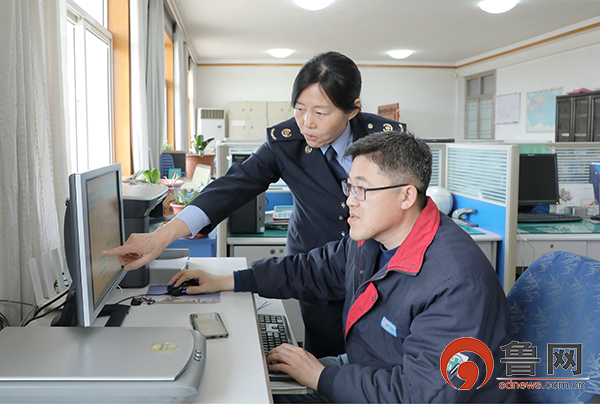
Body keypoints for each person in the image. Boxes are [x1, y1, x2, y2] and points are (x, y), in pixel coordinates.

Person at [168, 130, 515, 403]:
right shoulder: (372, 241)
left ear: (406, 196)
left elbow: (422, 394)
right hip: (368, 375)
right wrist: (228, 280)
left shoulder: (456, 283)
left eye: (361, 189)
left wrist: (320, 376)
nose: (349, 200)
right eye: (350, 186)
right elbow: (310, 270)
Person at [103, 51, 405, 358]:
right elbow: (233, 186)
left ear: (352, 110)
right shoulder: (287, 141)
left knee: (377, 356)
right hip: (313, 268)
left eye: (321, 113)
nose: (306, 123)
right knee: (323, 355)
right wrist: (162, 236)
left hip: (379, 269)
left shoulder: (387, 141)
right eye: (300, 109)